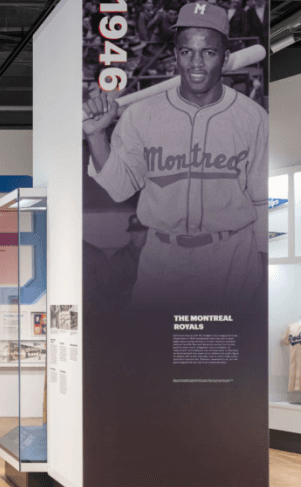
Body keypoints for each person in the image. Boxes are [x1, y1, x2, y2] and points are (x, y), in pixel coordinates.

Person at [83, 2, 267, 309]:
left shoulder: (253, 118)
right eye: (186, 52)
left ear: (224, 57)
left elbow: (265, 202)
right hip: (162, 263)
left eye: (208, 52)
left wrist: (268, 279)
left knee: (227, 355)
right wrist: (96, 134)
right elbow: (119, 188)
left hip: (233, 262)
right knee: (154, 354)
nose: (196, 63)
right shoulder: (141, 115)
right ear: (176, 56)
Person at [110, 215, 150, 310]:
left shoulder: (157, 256)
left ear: (148, 232)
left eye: (140, 231)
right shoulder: (119, 258)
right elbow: (111, 290)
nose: (135, 235)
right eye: (132, 231)